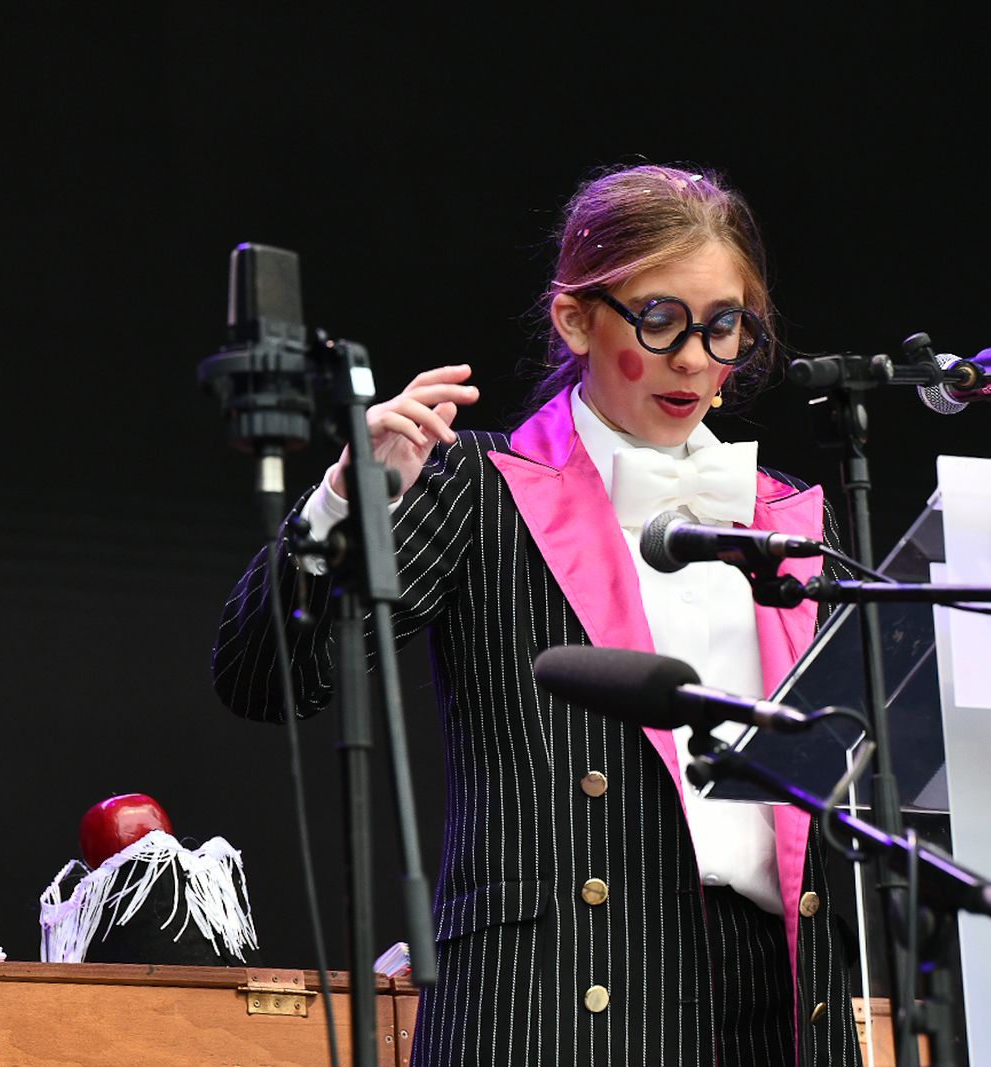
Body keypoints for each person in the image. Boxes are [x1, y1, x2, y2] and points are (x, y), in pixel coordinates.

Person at [213, 164, 863, 1067]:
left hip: (773, 995)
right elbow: (264, 678)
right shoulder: (482, 485)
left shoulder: (793, 516)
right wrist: (343, 501)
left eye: (724, 327)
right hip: (558, 991)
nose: (693, 358)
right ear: (576, 318)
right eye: (660, 319)